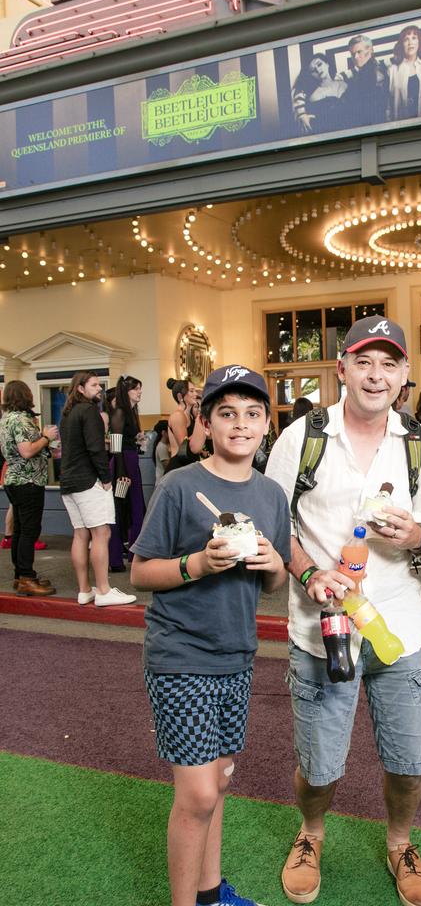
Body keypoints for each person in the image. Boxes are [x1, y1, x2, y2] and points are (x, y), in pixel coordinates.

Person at [265, 314, 421, 906]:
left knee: (412, 761)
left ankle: (400, 843)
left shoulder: (420, 441)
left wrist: (414, 534)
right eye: (363, 361)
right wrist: (310, 571)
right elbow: (275, 522)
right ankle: (310, 834)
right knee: (319, 766)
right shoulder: (302, 437)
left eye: (389, 363)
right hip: (324, 628)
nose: (375, 374)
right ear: (341, 369)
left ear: (404, 376)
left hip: (400, 625)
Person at [131, 365, 291, 906]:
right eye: (227, 413)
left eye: (251, 414)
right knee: (198, 793)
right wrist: (197, 563)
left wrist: (272, 563)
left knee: (220, 779)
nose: (240, 424)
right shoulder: (180, 485)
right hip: (179, 652)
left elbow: (272, 582)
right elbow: (139, 573)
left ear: (267, 423)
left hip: (237, 655)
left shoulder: (271, 495)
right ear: (207, 421)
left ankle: (210, 892)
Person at [59, 371, 136, 607]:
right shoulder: (90, 411)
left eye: (99, 384)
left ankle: (84, 590)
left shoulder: (68, 413)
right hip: (88, 480)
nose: (99, 388)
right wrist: (106, 477)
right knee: (102, 534)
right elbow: (95, 449)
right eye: (93, 385)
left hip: (68, 481)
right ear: (80, 388)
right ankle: (103, 590)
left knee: (81, 534)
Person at [0, 380, 58, 596]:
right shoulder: (22, 420)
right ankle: (26, 577)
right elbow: (27, 451)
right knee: (29, 531)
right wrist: (46, 437)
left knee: (20, 530)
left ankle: (20, 575)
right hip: (28, 480)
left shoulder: (6, 419)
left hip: (13, 478)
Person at [108, 374, 146, 572]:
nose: (139, 392)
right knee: (121, 509)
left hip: (128, 461)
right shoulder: (120, 412)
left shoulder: (129, 412)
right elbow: (115, 443)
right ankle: (116, 556)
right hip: (124, 465)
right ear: (126, 391)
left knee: (133, 508)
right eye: (136, 388)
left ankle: (133, 552)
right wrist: (121, 471)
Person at [389, 25, 421, 120]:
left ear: (420, 41)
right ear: (401, 44)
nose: (410, 43)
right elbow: (389, 103)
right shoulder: (393, 70)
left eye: (414, 38)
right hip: (402, 125)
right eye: (406, 39)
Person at [339, 34, 389, 127]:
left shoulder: (386, 67)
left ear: (371, 50)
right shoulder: (348, 76)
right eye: (353, 54)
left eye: (359, 52)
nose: (356, 57)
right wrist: (302, 113)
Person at [292, 53, 348, 134]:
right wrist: (302, 115)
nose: (318, 70)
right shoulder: (314, 96)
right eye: (313, 70)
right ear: (311, 75)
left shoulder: (345, 83)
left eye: (319, 64)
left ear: (327, 64)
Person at [166, 378, 207, 472]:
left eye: (195, 391)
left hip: (189, 467)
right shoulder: (178, 416)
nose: (196, 394)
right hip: (178, 468)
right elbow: (185, 448)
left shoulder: (191, 416)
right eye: (191, 391)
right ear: (180, 396)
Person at [153, 419, 171, 484]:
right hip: (162, 483)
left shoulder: (165, 446)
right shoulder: (162, 447)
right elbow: (167, 466)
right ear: (164, 433)